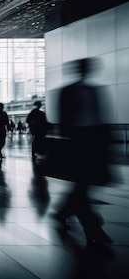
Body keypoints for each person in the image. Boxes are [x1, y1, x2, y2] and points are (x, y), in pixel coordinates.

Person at [52, 58, 112, 248]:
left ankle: (63, 212)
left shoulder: (92, 90)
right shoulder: (72, 91)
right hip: (78, 141)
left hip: (92, 140)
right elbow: (63, 120)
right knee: (82, 185)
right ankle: (92, 228)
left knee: (82, 185)